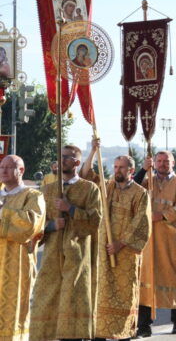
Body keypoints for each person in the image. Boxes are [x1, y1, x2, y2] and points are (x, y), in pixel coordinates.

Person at [80, 142, 152, 341]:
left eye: (121, 167)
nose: (117, 170)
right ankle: (99, 333)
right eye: (115, 167)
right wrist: (93, 151)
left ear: (132, 170)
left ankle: (124, 333)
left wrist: (121, 243)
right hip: (104, 251)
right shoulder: (107, 187)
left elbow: (141, 223)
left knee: (125, 294)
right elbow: (86, 175)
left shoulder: (140, 193)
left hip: (126, 253)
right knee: (101, 292)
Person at [30, 145, 102, 340]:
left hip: (77, 257)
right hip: (51, 256)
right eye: (59, 157)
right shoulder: (47, 190)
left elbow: (96, 221)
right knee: (45, 299)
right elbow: (36, 224)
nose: (61, 161)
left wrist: (70, 209)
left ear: (77, 162)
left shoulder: (89, 189)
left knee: (73, 301)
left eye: (66, 158)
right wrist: (52, 225)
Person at [133, 151, 176, 336]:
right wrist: (143, 169)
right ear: (154, 163)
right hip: (148, 239)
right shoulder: (148, 181)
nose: (163, 164)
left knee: (173, 275)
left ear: (173, 163)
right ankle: (144, 325)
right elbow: (131, 189)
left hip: (169, 239)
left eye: (167, 161)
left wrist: (162, 215)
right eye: (159, 161)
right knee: (146, 278)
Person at [0, 155, 46, 340]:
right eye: (1, 166)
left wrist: (3, 212)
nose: (3, 170)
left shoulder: (33, 196)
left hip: (16, 265)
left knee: (14, 311)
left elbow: (30, 225)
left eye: (9, 167)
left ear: (21, 171)